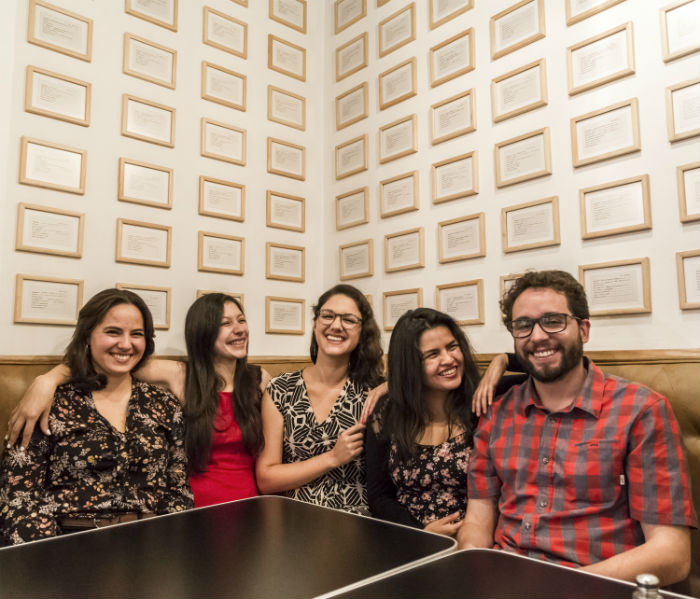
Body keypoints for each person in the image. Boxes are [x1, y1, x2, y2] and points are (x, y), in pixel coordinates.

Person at [457, 270, 696, 585]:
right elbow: (477, 520)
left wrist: (558, 587)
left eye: (553, 320)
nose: (538, 336)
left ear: (583, 329)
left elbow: (672, 554)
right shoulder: (497, 413)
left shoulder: (641, 411)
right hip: (508, 582)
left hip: (598, 586)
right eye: (523, 325)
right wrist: (472, 571)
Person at [6, 293, 269, 508]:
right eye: (225, 323)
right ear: (203, 332)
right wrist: (48, 380)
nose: (238, 329)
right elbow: (108, 362)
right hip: (198, 508)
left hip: (251, 504)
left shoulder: (260, 379)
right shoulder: (179, 375)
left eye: (241, 320)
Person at [0, 289, 193, 544]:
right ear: (88, 336)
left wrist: (172, 546)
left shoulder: (164, 404)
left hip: (151, 542)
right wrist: (50, 558)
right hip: (70, 543)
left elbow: (177, 490)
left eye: (137, 334)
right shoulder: (50, 403)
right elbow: (19, 498)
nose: (125, 344)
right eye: (113, 332)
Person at [256, 284, 384, 514]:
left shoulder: (373, 391)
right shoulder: (281, 389)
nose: (336, 325)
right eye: (328, 316)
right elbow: (266, 479)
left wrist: (393, 385)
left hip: (357, 522)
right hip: (293, 520)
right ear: (315, 324)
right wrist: (332, 458)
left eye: (348, 319)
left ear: (362, 331)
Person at [365, 308, 480, 536]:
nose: (448, 359)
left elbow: (538, 370)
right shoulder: (386, 412)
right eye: (432, 354)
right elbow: (379, 497)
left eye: (452, 347)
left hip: (472, 541)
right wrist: (421, 532)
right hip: (408, 539)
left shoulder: (482, 401)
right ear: (410, 365)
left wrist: (502, 362)